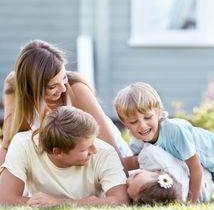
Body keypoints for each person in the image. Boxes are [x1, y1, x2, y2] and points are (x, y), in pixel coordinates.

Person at [114, 82, 214, 204]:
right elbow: (135, 164)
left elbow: (195, 167)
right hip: (205, 166)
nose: (142, 125)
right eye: (133, 122)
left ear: (158, 113)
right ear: (125, 123)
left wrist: (192, 201)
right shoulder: (137, 142)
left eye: (148, 117)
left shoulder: (174, 131)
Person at [0, 40, 131, 165]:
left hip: (106, 159)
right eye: (52, 86)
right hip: (64, 168)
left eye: (64, 77)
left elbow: (111, 149)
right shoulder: (14, 89)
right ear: (31, 87)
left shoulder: (76, 90)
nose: (63, 88)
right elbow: (7, 146)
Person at [0, 106, 129, 207]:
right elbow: (5, 199)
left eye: (93, 141)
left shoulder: (104, 152)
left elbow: (121, 201)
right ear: (57, 152)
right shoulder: (24, 144)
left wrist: (60, 203)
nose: (94, 150)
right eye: (85, 149)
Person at [126, 143, 214, 204]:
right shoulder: (152, 155)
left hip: (203, 184)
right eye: (135, 175)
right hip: (204, 184)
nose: (127, 179)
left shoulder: (150, 155)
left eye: (127, 185)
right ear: (157, 173)